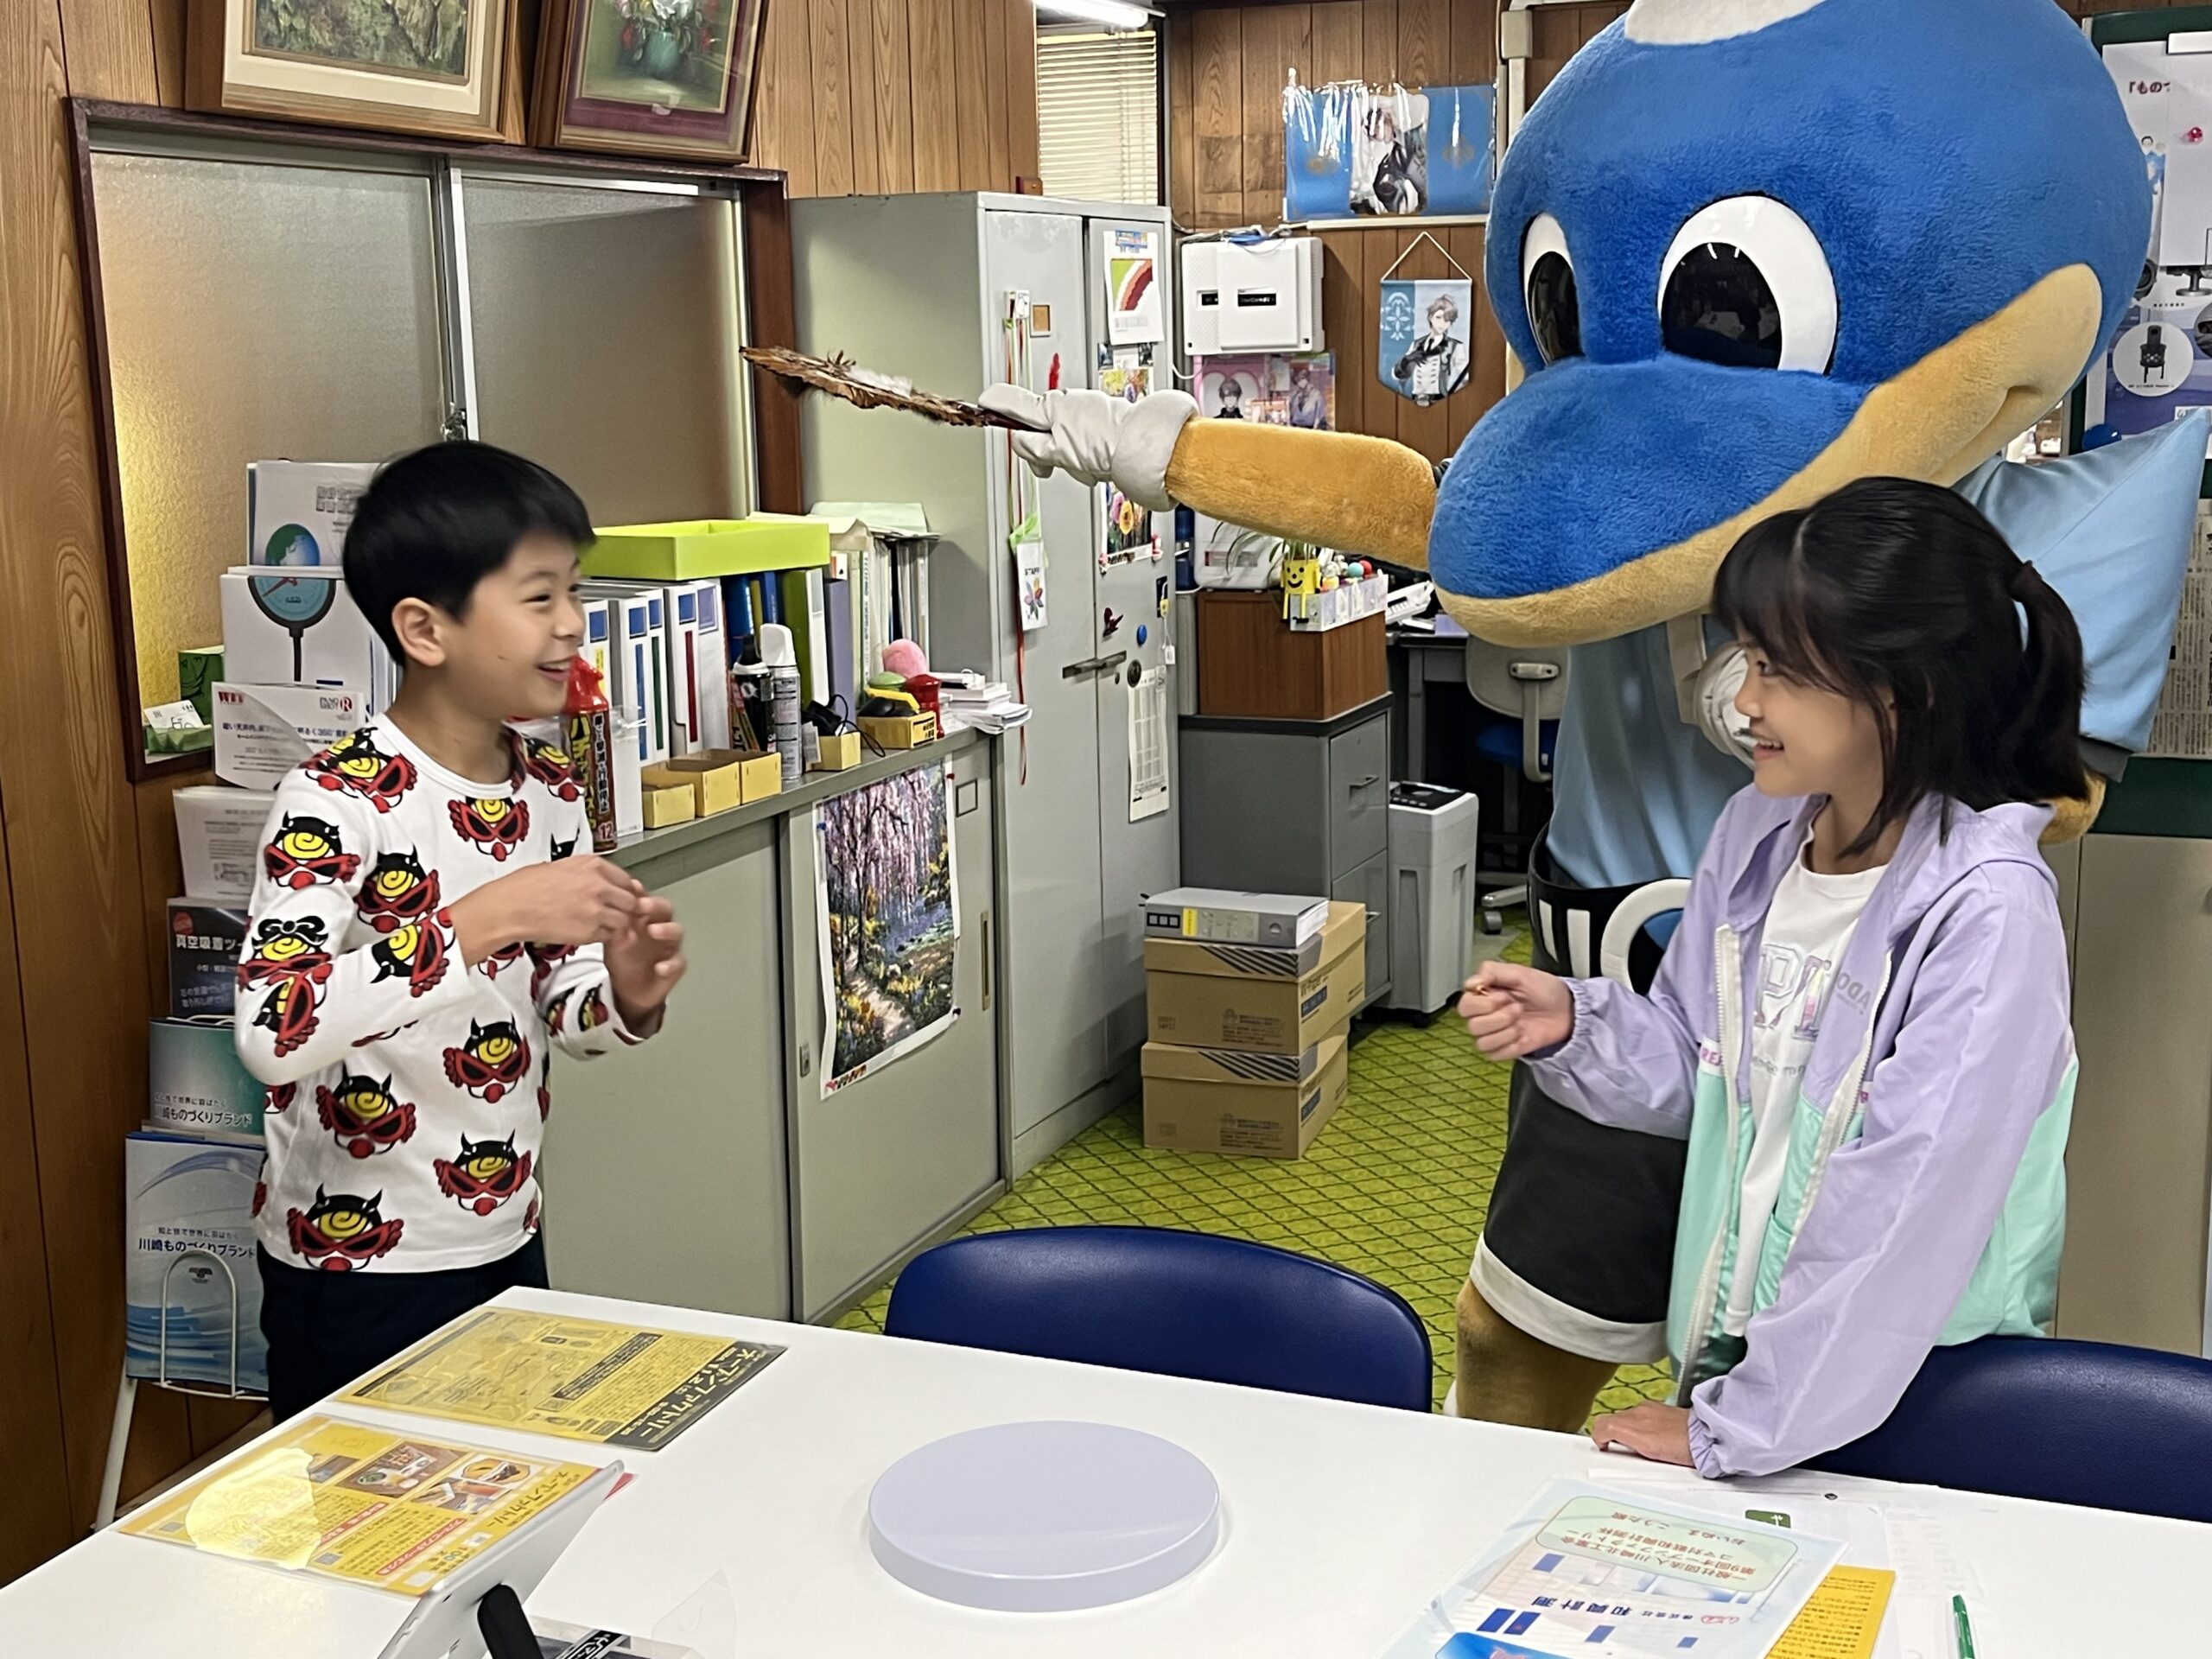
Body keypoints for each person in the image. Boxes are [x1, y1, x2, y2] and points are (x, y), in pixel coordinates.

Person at [1458, 478, 2084, 1477]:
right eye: (1748, 661)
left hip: (1918, 1388)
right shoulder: (1759, 833)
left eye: (1779, 672)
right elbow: (1702, 1064)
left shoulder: (1986, 910)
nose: (1744, 704)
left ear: (1903, 689)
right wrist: (1578, 1023)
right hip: (1746, 1355)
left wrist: (1735, 1428)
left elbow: (1904, 1207)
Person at [235, 442, 688, 1421]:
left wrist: (629, 997)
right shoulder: (334, 799)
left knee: (505, 1511)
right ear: (424, 629)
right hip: (350, 1267)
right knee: (369, 1544)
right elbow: (274, 1030)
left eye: (572, 589)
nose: (572, 625)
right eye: (538, 597)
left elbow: (564, 1014)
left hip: (502, 1234)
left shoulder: (552, 791)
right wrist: (493, 916)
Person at [1395, 295, 1470, 401]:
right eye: (1438, 317)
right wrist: (1406, 361)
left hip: (1441, 401)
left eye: (1447, 320)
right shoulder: (1417, 344)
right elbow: (1399, 376)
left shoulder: (1455, 346)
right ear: (1430, 317)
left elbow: (1465, 379)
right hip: (1414, 401)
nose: (1442, 324)